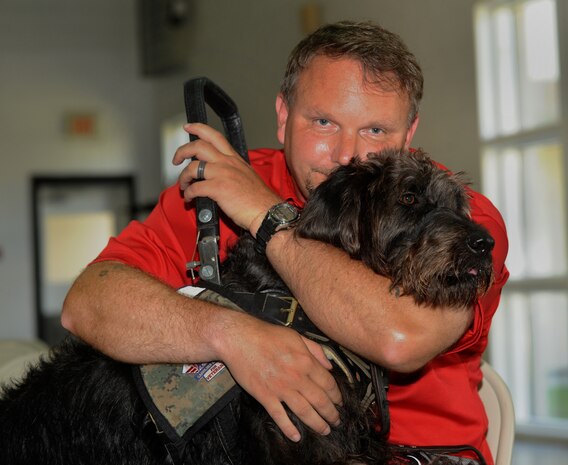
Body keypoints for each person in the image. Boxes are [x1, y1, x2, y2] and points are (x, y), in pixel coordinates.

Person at [62, 20, 509, 464]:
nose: (346, 155)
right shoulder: (220, 187)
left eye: (375, 131)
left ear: (408, 137)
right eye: (323, 122)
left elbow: (400, 341)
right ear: (283, 116)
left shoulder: (460, 216)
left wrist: (266, 215)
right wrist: (230, 335)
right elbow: (87, 304)